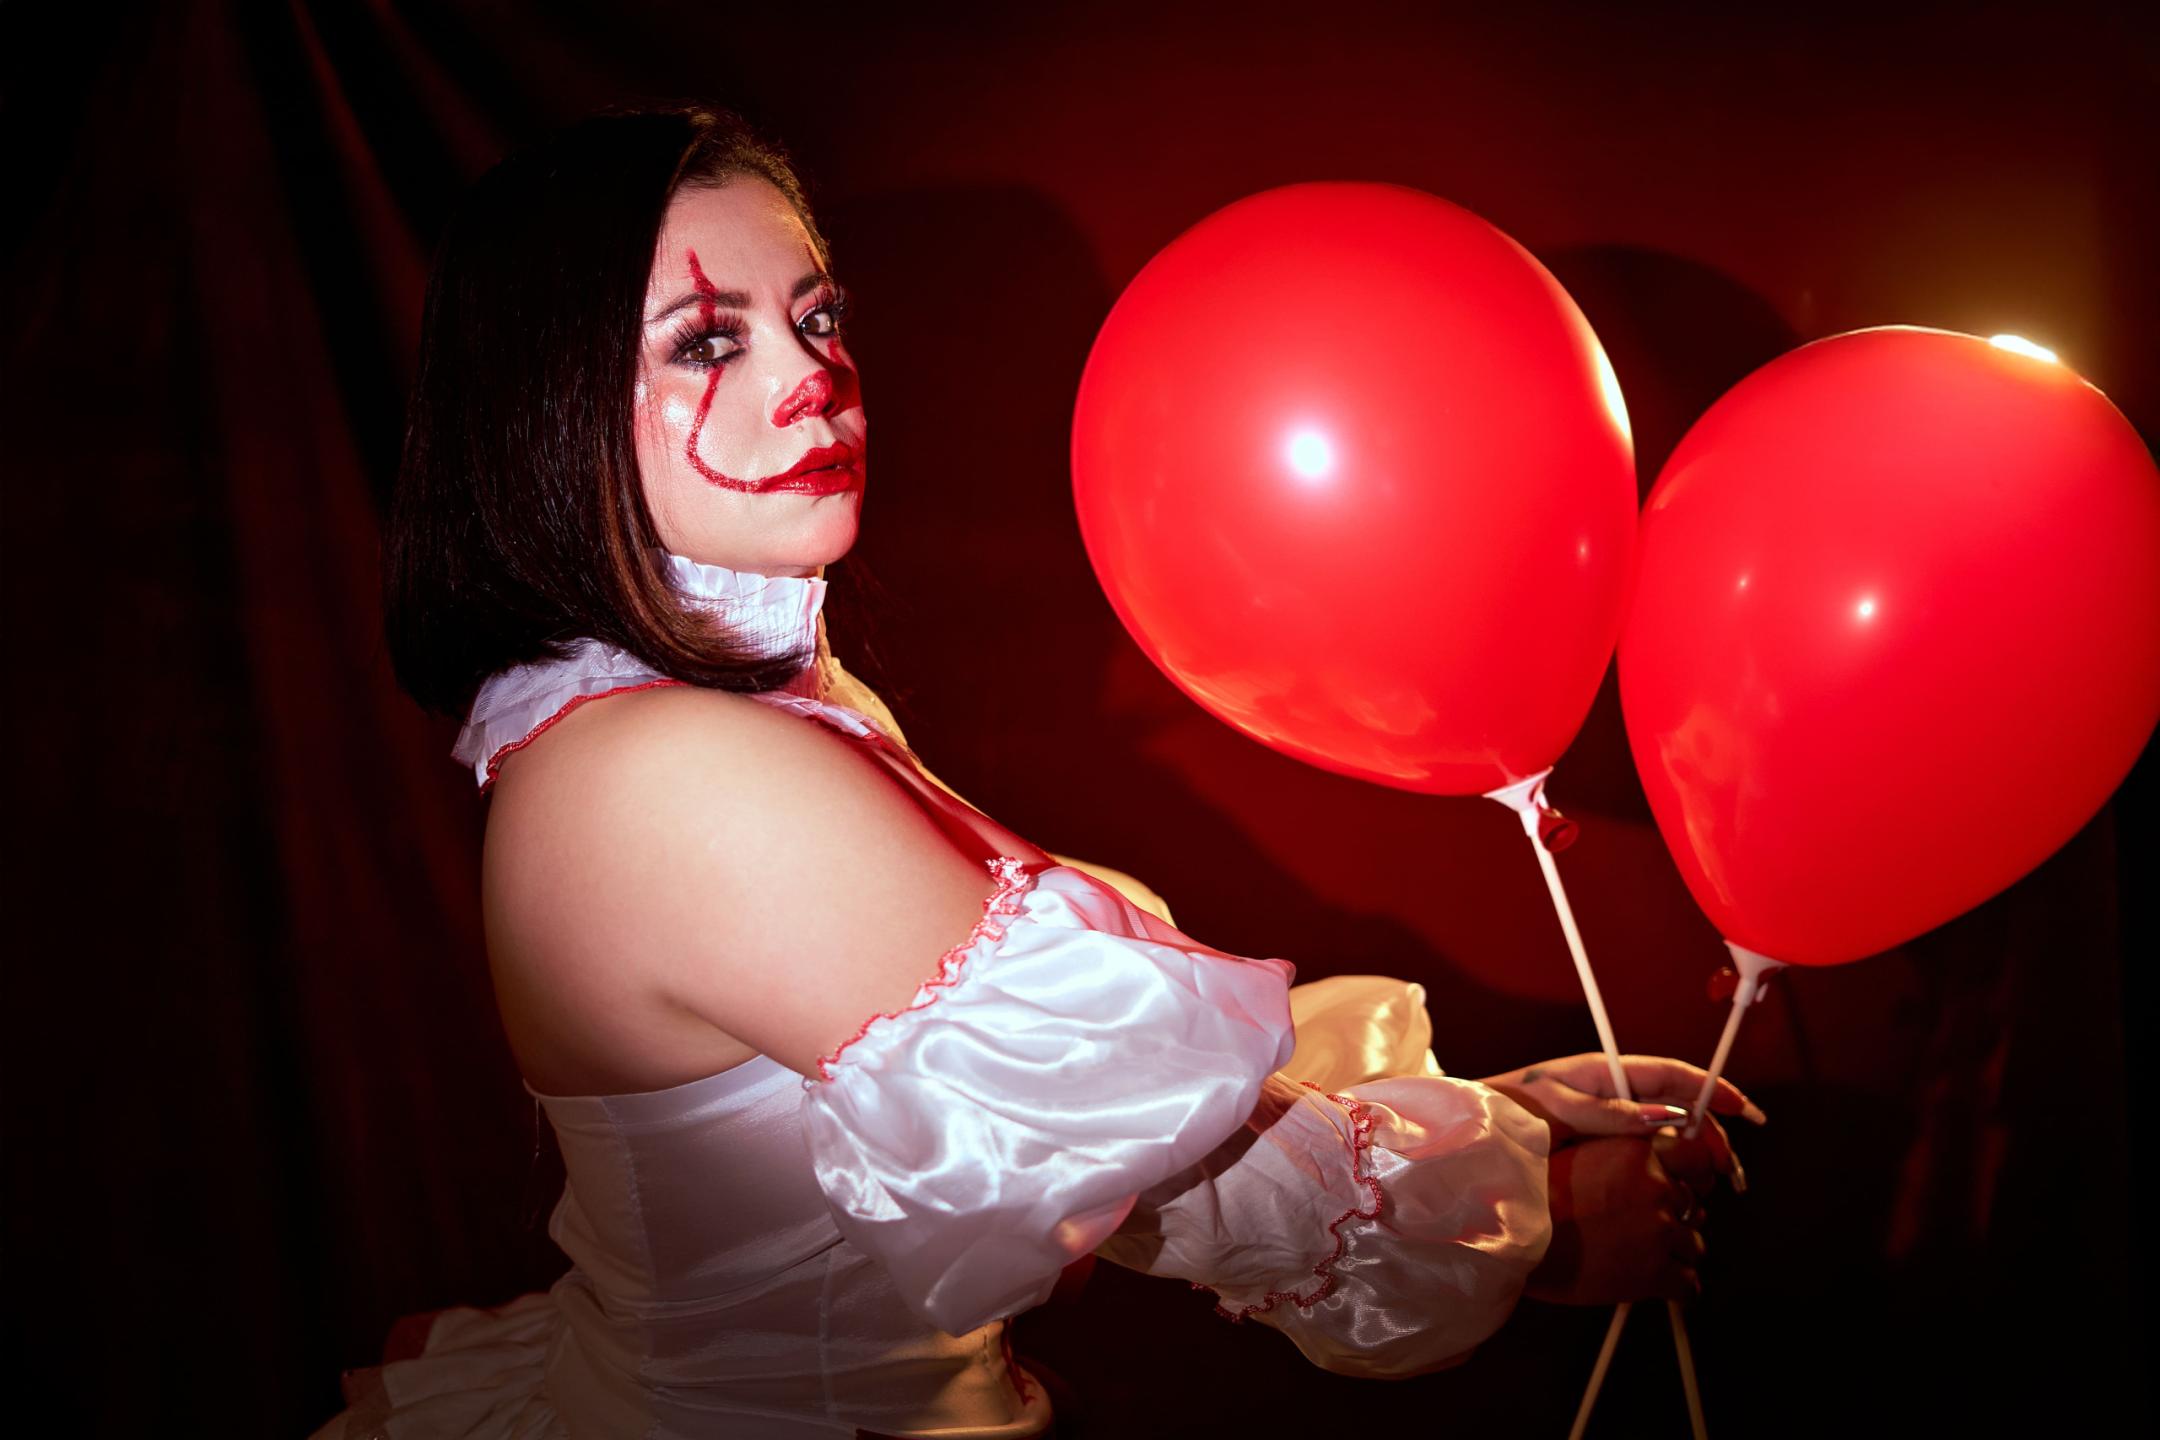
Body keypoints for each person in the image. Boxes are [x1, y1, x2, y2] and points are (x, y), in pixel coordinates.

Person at [312, 104, 1760, 1440]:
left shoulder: (705, 710)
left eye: (817, 317)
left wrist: (1499, 1122)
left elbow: (1102, 1101)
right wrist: (1532, 1221)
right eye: (707, 341)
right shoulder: (669, 771)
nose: (811, 377)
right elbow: (1166, 1176)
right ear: (549, 405)